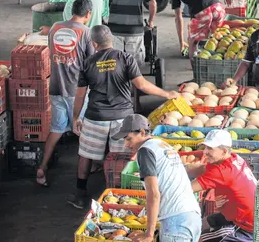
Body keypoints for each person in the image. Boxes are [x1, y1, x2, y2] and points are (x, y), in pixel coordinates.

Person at [68, 26, 179, 210]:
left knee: (86, 155)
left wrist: (75, 117)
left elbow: (80, 95)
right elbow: (142, 85)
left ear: (94, 44)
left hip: (96, 117)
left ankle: (80, 195)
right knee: (123, 157)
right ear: (112, 39)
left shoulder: (88, 63)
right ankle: (121, 193)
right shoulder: (125, 58)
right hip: (122, 118)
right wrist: (167, 94)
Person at [114, 114, 202, 242]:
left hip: (175, 222)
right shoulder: (162, 144)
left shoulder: (145, 151)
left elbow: (154, 194)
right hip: (192, 217)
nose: (126, 144)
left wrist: (149, 235)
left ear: (142, 132)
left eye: (129, 139)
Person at [37, 0, 95, 187]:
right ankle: (87, 171)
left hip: (55, 87)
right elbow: (91, 62)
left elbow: (52, 50)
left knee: (56, 129)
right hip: (76, 90)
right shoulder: (85, 32)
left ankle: (42, 167)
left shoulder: (55, 27)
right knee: (82, 130)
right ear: (88, 14)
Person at [189, 129, 256, 242]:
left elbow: (186, 190)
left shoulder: (222, 171)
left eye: (210, 148)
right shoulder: (235, 158)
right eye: (205, 147)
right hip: (240, 216)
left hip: (245, 227)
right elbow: (202, 169)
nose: (204, 152)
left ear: (224, 151)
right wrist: (179, 170)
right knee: (202, 223)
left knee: (195, 238)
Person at [168, 0, 232, 65]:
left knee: (192, 41)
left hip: (202, 14)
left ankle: (195, 68)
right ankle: (222, 62)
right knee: (217, 36)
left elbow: (178, 18)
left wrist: (181, 42)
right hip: (217, 8)